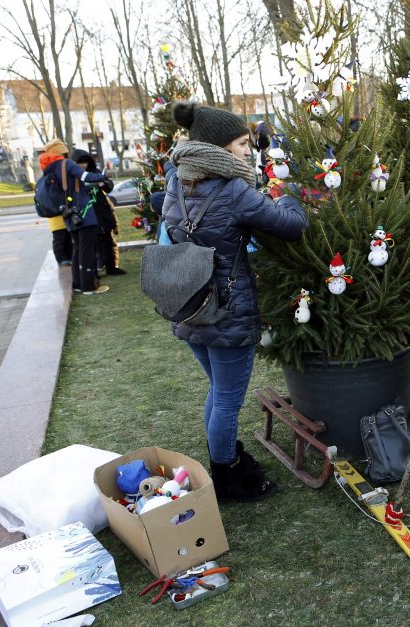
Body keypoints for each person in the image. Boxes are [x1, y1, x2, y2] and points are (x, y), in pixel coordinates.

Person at [162, 101, 308, 501]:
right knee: (226, 399)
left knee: (217, 392)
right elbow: (291, 227)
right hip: (228, 309)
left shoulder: (177, 179)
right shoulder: (233, 189)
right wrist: (289, 194)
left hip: (188, 303)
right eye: (243, 143)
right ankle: (228, 474)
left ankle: (222, 459)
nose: (248, 150)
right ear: (221, 147)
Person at [39, 139, 111, 293]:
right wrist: (102, 176)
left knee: (77, 249)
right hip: (83, 212)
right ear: (62, 152)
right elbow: (85, 177)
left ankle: (77, 284)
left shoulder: (50, 169)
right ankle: (89, 286)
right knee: (87, 249)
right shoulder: (67, 164)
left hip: (68, 214)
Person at [72, 149, 125, 276]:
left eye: (85, 163)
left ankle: (111, 267)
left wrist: (102, 184)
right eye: (80, 163)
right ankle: (93, 271)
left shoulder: (95, 173)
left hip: (102, 213)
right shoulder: (74, 177)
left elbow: (108, 184)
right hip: (87, 215)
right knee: (92, 245)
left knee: (107, 241)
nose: (83, 166)